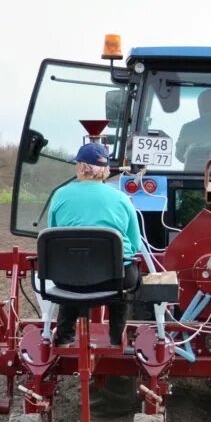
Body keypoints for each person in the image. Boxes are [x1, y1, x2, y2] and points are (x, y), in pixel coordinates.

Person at [48, 143, 143, 347]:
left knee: (72, 272)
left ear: (81, 167)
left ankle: (64, 337)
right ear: (106, 170)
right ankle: (118, 338)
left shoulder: (60, 195)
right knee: (125, 282)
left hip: (67, 279)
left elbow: (53, 235)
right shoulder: (122, 199)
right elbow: (135, 245)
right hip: (114, 281)